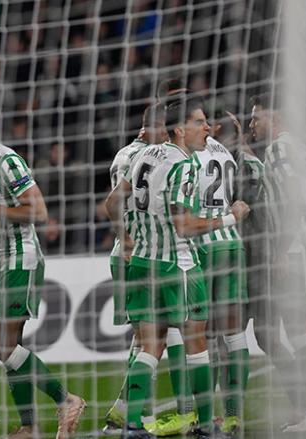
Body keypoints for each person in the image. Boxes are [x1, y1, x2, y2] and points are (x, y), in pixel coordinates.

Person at [105, 96, 250, 438]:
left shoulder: (143, 154)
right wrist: (231, 216)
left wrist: (125, 238)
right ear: (180, 129)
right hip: (177, 265)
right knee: (196, 342)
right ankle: (203, 424)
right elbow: (184, 225)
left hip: (142, 263)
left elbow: (112, 203)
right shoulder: (184, 165)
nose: (207, 128)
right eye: (200, 122)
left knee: (150, 346)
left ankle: (133, 424)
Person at [0, 97, 86, 439]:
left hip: (19, 259)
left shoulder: (7, 160)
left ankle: (66, 399)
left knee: (1, 346)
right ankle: (29, 426)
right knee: (11, 347)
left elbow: (38, 211)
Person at [104, 103, 198, 437]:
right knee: (156, 338)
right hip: (147, 251)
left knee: (144, 339)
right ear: (156, 129)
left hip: (129, 249)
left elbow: (113, 201)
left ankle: (125, 410)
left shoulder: (125, 154)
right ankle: (149, 414)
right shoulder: (154, 156)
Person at [249, 93, 306, 432]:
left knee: (302, 333)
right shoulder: (301, 148)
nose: (254, 124)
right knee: (304, 330)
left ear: (275, 117)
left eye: (258, 118)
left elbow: (295, 200)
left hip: (296, 249)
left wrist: (282, 249)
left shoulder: (279, 149)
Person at [194, 112, 251, 437]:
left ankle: (200, 416)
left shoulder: (191, 154)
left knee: (201, 334)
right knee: (234, 333)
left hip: (203, 245)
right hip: (232, 244)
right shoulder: (225, 154)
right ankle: (233, 415)